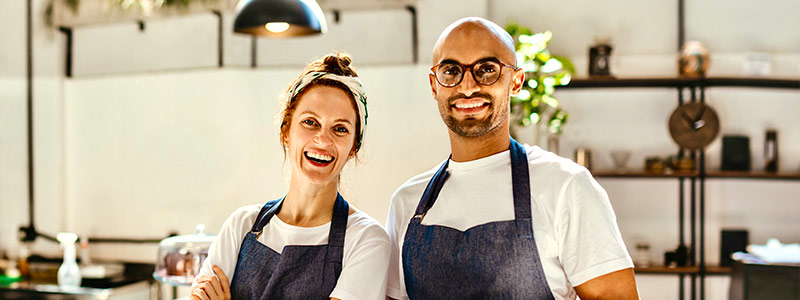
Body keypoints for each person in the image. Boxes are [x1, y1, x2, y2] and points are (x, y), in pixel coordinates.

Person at [385, 18, 639, 299]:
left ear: (516, 81)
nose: (467, 86)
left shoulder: (566, 187)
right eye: (451, 71)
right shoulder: (406, 203)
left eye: (487, 70)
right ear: (435, 86)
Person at [191, 53, 390, 300]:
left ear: (353, 147)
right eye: (310, 122)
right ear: (286, 130)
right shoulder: (241, 225)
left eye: (340, 129)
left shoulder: (366, 240)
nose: (323, 140)